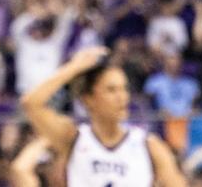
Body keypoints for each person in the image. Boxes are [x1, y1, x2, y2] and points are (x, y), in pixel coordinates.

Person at [20, 46, 185, 186]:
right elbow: (31, 103)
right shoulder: (73, 138)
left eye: (124, 89)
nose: (122, 97)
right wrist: (75, 67)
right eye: (111, 90)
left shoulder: (149, 145)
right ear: (88, 98)